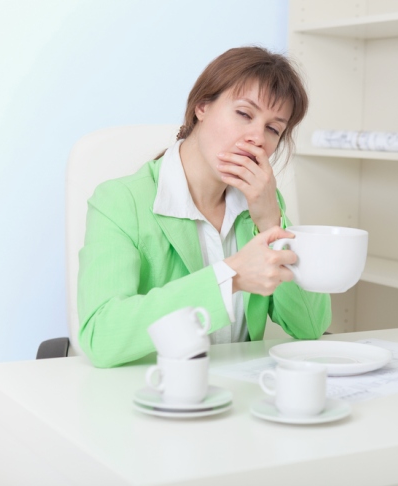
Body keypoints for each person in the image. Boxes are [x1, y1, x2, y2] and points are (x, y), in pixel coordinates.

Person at [78, 46, 331, 368]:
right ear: (202, 106)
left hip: (238, 396)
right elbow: (101, 337)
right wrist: (229, 277)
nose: (256, 137)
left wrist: (271, 222)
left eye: (272, 129)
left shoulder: (264, 206)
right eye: (244, 114)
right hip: (156, 393)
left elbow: (309, 328)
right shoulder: (120, 201)